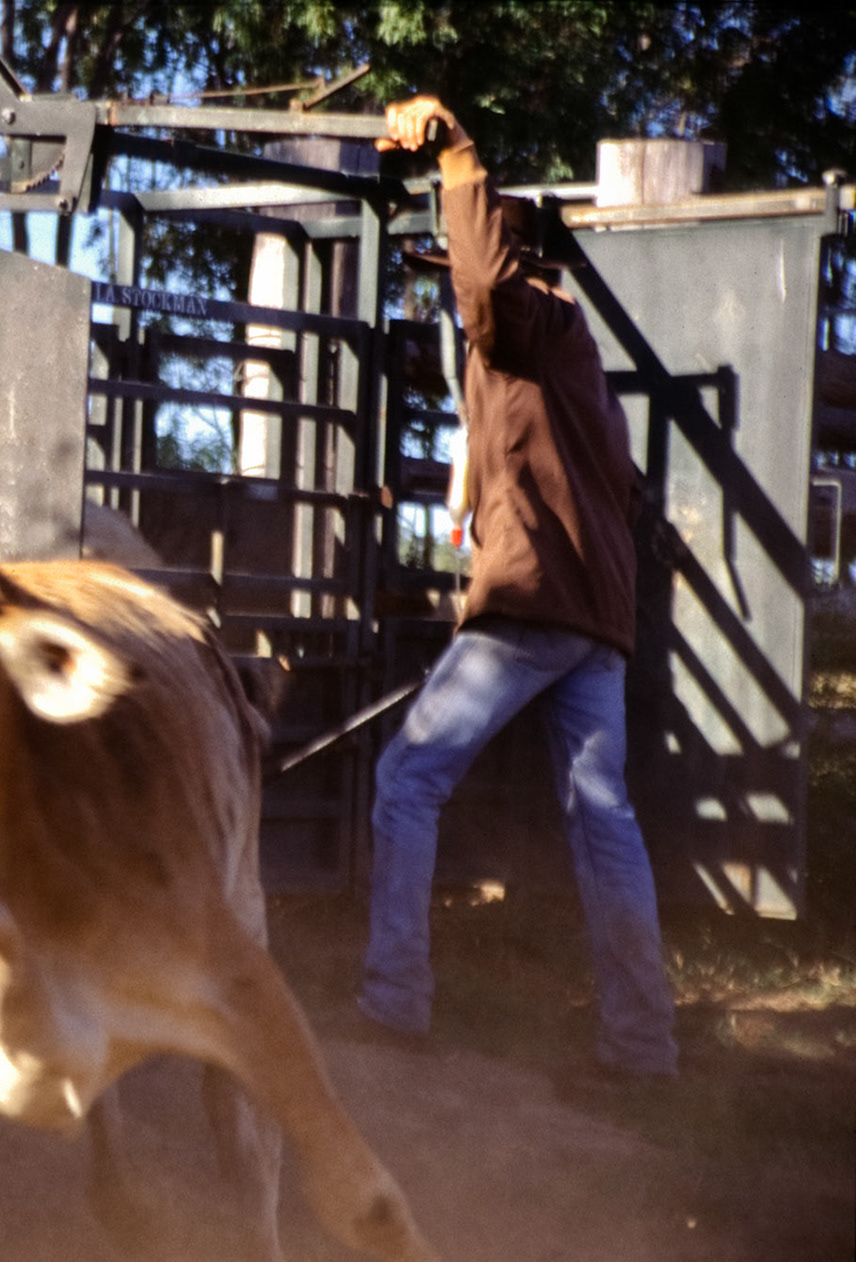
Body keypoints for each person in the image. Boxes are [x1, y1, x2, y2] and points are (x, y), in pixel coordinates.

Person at [358, 96, 679, 1078]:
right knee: (603, 818)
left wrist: (457, 155)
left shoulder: (528, 322)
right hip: (597, 621)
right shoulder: (584, 372)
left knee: (406, 780)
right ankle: (642, 1046)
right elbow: (613, 492)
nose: (453, 303)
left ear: (521, 263)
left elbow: (485, 291)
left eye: (454, 273)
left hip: (533, 609)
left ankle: (392, 1002)